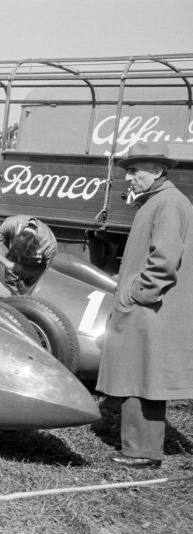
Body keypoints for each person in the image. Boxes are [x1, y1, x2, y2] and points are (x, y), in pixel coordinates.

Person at [96, 142, 193, 469]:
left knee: (139, 376)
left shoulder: (166, 203)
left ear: (157, 170)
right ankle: (142, 448)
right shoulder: (163, 200)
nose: (128, 178)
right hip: (150, 308)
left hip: (149, 308)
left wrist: (137, 293)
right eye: (127, 171)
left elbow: (164, 262)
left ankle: (141, 452)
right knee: (142, 376)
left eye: (135, 171)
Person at [0, 215, 57, 294]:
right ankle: (14, 295)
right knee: (11, 270)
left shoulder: (48, 243)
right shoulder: (12, 224)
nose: (21, 259)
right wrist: (7, 263)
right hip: (14, 261)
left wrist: (33, 289)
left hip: (37, 268)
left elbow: (51, 275)